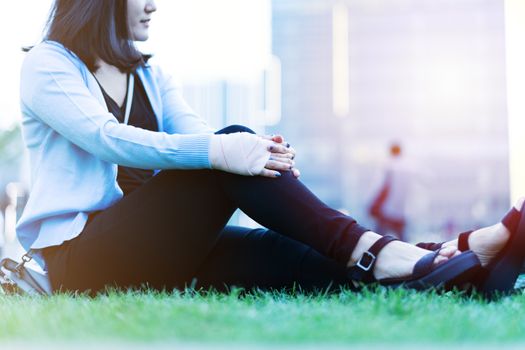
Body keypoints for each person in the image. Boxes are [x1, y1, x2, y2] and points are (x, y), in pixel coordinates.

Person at [16, 0, 524, 296]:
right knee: (229, 146)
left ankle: (457, 265)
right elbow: (106, 138)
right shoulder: (48, 63)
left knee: (293, 257)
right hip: (82, 262)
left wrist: (255, 152)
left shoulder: (150, 74)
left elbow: (205, 138)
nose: (154, 4)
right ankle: (382, 251)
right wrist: (227, 151)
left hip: (157, 252)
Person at [369, 142, 408, 240]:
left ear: (390, 152)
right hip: (401, 213)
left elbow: (381, 187)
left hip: (386, 211)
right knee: (404, 243)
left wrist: (373, 204)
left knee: (376, 240)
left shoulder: (388, 166)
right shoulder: (408, 168)